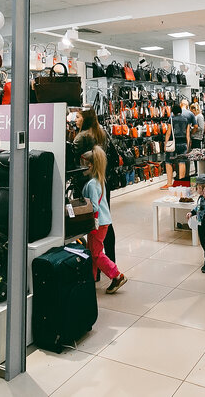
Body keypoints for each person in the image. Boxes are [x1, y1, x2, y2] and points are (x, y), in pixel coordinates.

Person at [73, 107, 115, 274]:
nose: (75, 119)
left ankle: (94, 266)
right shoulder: (102, 133)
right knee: (105, 221)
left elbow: (73, 161)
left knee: (88, 223)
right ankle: (107, 260)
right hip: (102, 180)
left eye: (78, 117)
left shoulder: (81, 137)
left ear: (85, 119)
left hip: (85, 183)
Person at [81, 147, 126, 294]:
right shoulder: (99, 181)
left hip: (97, 223)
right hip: (103, 221)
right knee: (93, 251)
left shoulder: (92, 184)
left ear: (90, 165)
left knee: (96, 253)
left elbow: (94, 206)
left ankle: (117, 275)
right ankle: (91, 279)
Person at [162, 103, 192, 188]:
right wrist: (188, 145)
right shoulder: (186, 120)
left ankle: (169, 183)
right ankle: (181, 183)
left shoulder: (171, 119)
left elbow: (168, 132)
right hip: (183, 143)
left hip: (173, 144)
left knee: (168, 162)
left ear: (173, 112)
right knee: (182, 162)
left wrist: (165, 144)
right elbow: (188, 134)